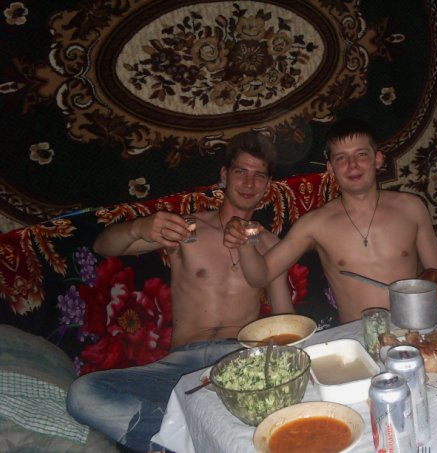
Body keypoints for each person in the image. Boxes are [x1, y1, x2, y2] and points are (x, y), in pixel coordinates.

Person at [67, 131, 293, 452]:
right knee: (83, 394)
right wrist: (139, 227)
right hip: (180, 368)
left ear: (268, 185)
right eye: (241, 171)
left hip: (240, 363)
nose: (248, 183)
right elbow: (103, 246)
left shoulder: (269, 244)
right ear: (224, 175)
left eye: (259, 176)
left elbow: (286, 321)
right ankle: (196, 439)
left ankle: (187, 437)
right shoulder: (187, 229)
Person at [223, 118, 437, 323]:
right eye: (341, 158)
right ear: (331, 168)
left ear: (378, 159)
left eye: (361, 155)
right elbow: (260, 275)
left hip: (416, 325)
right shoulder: (316, 224)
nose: (352, 165)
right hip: (358, 339)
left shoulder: (411, 208)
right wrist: (245, 240)